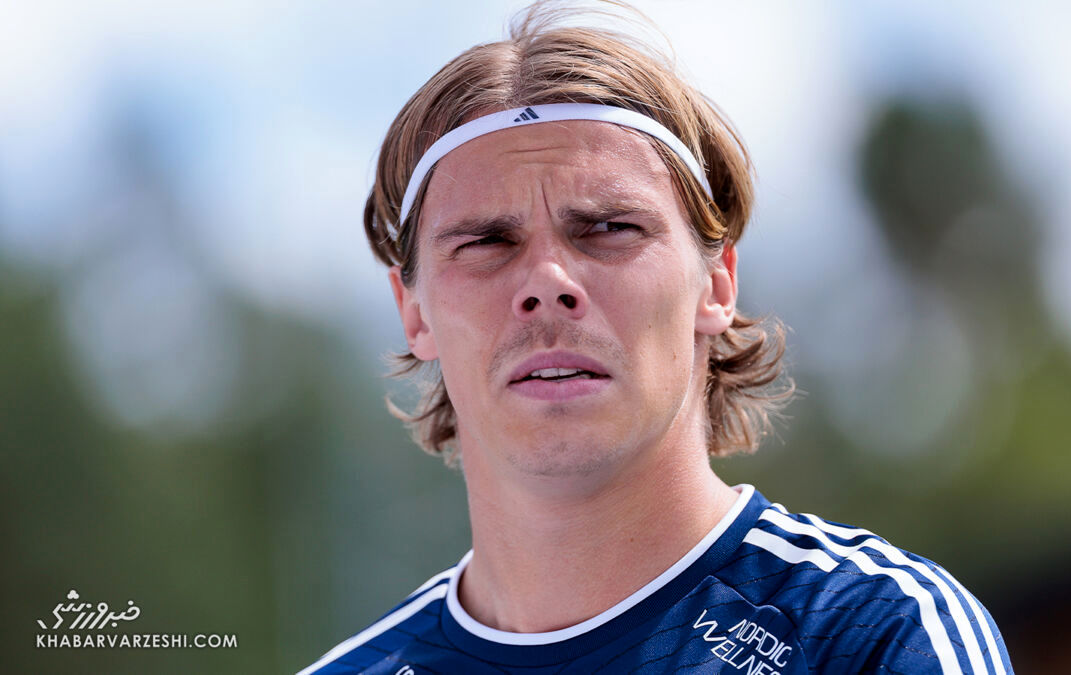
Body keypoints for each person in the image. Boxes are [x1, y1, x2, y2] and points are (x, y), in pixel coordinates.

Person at [300, 2, 1010, 673]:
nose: (547, 281)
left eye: (609, 228)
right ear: (413, 312)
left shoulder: (873, 636)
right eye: (486, 242)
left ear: (717, 283)